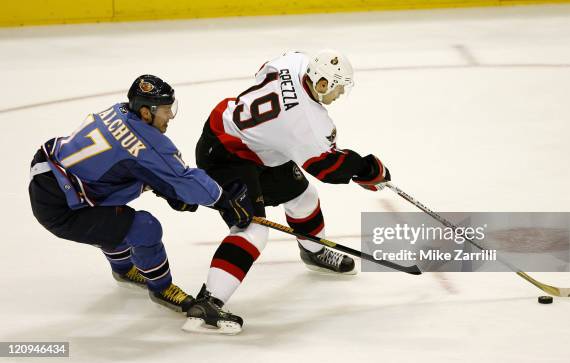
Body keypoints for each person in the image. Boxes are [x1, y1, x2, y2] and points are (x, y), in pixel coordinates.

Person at [184, 50, 391, 334]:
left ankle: (314, 252)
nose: (340, 94)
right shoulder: (309, 124)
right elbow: (327, 167)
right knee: (252, 230)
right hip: (225, 156)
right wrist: (366, 168)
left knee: (303, 197)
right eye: (338, 87)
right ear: (321, 84)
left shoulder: (293, 61)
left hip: (254, 146)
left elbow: (261, 71)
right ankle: (207, 303)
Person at [28, 75, 253, 318]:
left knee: (114, 213)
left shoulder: (120, 110)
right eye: (166, 110)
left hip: (49, 172)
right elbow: (184, 178)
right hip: (62, 207)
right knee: (145, 228)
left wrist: (163, 187)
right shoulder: (147, 142)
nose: (170, 117)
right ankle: (161, 288)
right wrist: (224, 199)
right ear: (146, 112)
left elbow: (125, 165)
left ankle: (123, 269)